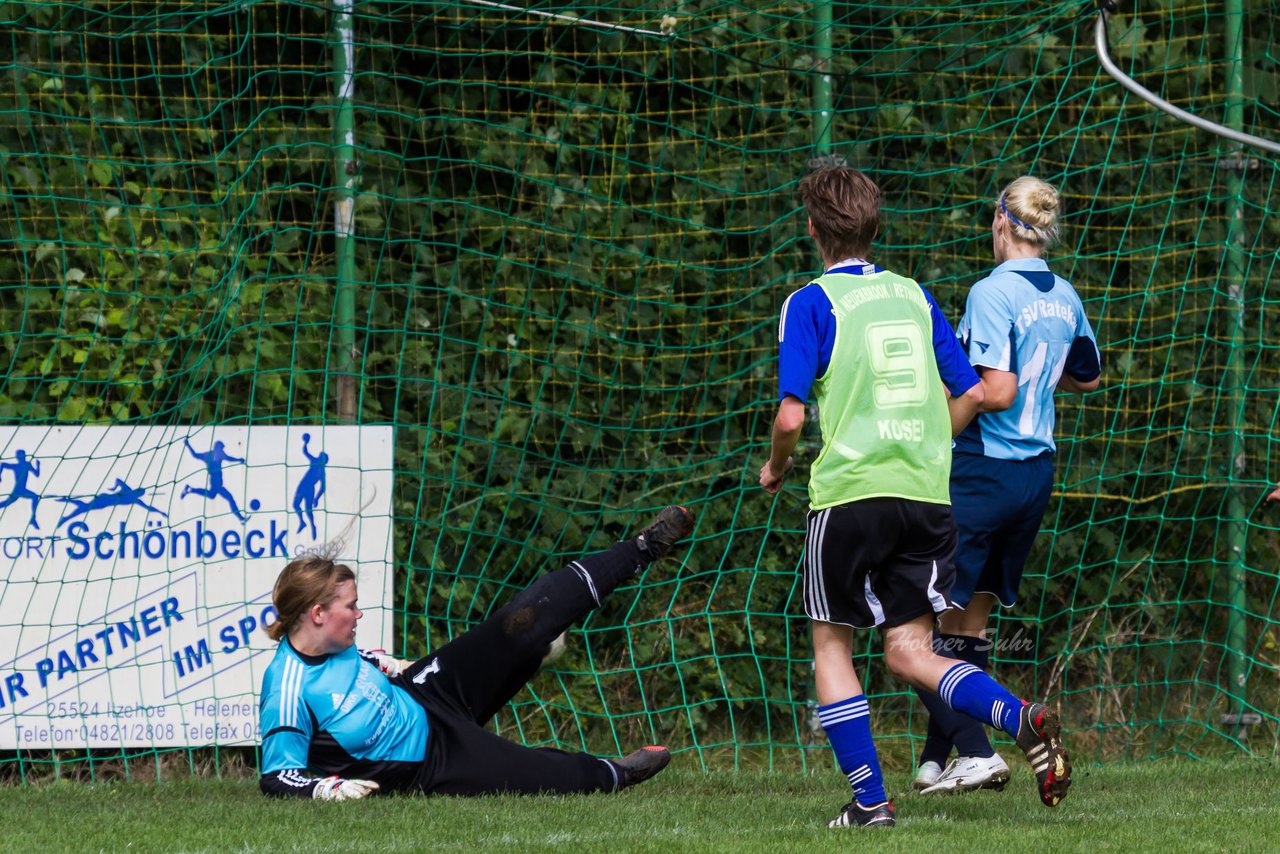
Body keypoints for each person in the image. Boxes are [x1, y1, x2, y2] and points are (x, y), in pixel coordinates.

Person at [759, 160, 1071, 829]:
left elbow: (790, 417)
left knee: (832, 646)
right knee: (910, 651)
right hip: (927, 497)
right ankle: (1020, 716)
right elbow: (969, 391)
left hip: (849, 493)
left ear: (814, 230)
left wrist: (777, 465)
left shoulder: (810, 301)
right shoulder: (913, 294)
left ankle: (871, 803)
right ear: (875, 227)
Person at [257, 505, 695, 799]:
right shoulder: (287, 689)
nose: (358, 613)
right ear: (317, 614)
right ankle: (618, 772)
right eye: (350, 607)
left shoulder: (337, 643)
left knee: (519, 621)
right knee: (538, 777)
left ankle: (640, 550)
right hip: (429, 762)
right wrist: (325, 789)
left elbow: (356, 670)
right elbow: (276, 775)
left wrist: (384, 662)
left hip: (424, 692)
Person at [911, 176, 1101, 796]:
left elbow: (996, 390)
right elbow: (1086, 375)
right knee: (968, 624)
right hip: (1034, 475)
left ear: (1001, 222)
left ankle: (978, 747)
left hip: (981, 470)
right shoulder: (1065, 294)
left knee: (913, 630)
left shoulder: (992, 291)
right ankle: (938, 759)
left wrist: (931, 431)